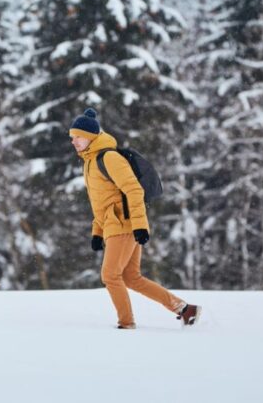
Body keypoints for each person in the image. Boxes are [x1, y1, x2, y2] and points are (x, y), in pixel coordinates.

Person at [69, 107, 200, 329]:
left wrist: (140, 226)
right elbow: (101, 202)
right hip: (113, 225)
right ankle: (185, 309)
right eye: (72, 137)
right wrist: (97, 231)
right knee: (131, 278)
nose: (73, 141)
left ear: (90, 137)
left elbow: (134, 190)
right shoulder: (89, 162)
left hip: (124, 225)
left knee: (110, 276)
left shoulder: (109, 157)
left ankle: (126, 323)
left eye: (78, 137)